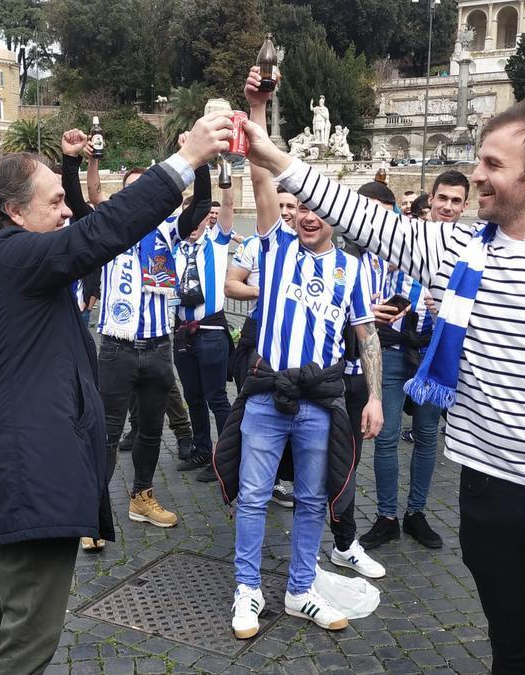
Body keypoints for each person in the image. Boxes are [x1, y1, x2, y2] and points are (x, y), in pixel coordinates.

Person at [243, 97, 525, 672]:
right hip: (488, 495)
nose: (476, 176)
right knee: (513, 651)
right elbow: (360, 214)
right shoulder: (454, 251)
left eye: (493, 165)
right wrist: (272, 154)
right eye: (480, 161)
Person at [0, 116, 229, 674]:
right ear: (13, 212)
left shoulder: (4, 263)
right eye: (54, 201)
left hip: (22, 473)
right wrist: (185, 161)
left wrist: (73, 168)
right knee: (26, 640)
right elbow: (99, 231)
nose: (65, 211)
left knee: (7, 622)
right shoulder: (7, 258)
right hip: (30, 475)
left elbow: (90, 225)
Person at [215, 67, 383, 639]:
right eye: (300, 207)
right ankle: (246, 590)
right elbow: (263, 176)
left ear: (336, 214)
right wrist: (258, 112)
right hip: (268, 392)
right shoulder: (276, 246)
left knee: (314, 499)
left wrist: (377, 397)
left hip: (322, 399)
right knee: (255, 496)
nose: (308, 215)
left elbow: (366, 335)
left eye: (318, 208)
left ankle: (300, 590)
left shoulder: (353, 269)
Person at [89, 160, 208, 532]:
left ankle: (142, 497)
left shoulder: (168, 230)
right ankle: (93, 511)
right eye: (133, 189)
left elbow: (202, 205)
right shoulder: (107, 230)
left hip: (157, 347)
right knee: (107, 434)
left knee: (152, 430)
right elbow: (83, 200)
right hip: (117, 349)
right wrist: (79, 161)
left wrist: (200, 162)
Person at [361, 170, 468, 552]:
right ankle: (387, 516)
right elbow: (370, 280)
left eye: (457, 201)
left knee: (425, 437)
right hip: (392, 347)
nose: (448, 207)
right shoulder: (406, 241)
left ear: (464, 206)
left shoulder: (472, 249)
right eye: (443, 199)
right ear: (432, 198)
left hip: (434, 350)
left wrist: (448, 309)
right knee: (386, 436)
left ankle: (417, 513)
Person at [226, 185, 300, 501]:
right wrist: (264, 292)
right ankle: (246, 476)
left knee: (289, 409)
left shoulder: (309, 246)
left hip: (295, 337)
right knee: (253, 408)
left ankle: (278, 479)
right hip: (257, 333)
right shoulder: (254, 246)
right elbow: (230, 285)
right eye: (280, 204)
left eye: (291, 206)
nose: (285, 211)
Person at [171, 185, 235, 473]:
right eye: (188, 217)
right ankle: (201, 450)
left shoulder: (217, 242)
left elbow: (229, 205)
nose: (193, 225)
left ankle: (227, 458)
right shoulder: (174, 248)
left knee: (217, 398)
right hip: (183, 333)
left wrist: (225, 169)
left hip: (211, 331)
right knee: (193, 397)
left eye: (199, 218)